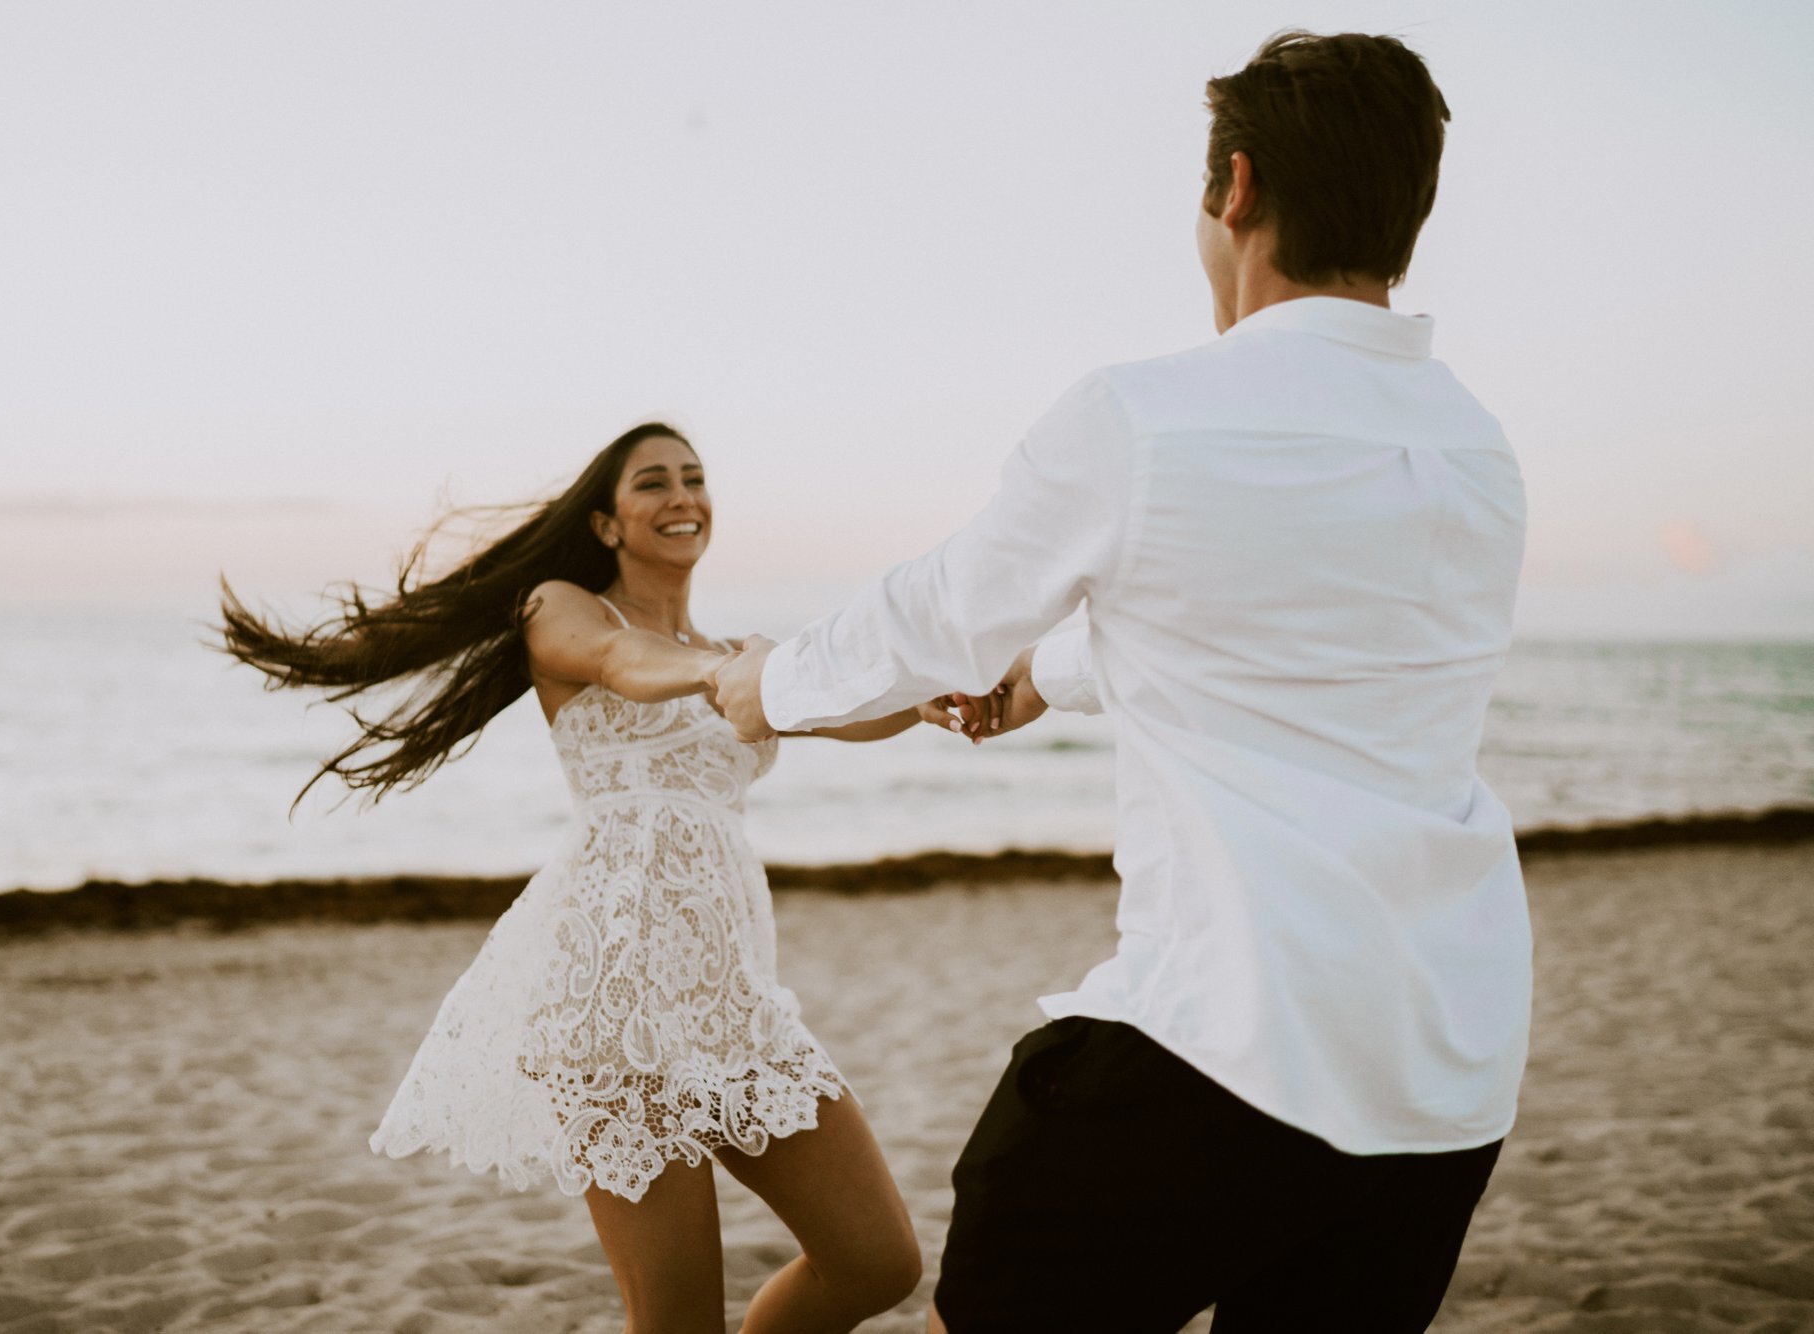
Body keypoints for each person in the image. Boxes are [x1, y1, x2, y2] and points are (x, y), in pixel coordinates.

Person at [713, 29, 1529, 1334]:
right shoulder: (1477, 450)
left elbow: (935, 614)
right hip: (1441, 1075)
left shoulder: (1146, 415)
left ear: (1238, 188)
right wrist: (1046, 677)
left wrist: (765, 686)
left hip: (1224, 1045)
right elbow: (1274, 636)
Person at [217, 423, 926, 1333]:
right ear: (605, 523)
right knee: (675, 1324)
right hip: (609, 1005)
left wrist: (937, 699)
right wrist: (736, 673)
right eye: (653, 483)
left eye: (695, 478)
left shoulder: (736, 654)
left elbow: (844, 710)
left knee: (878, 1262)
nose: (682, 497)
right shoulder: (566, 609)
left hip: (729, 1003)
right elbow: (622, 666)